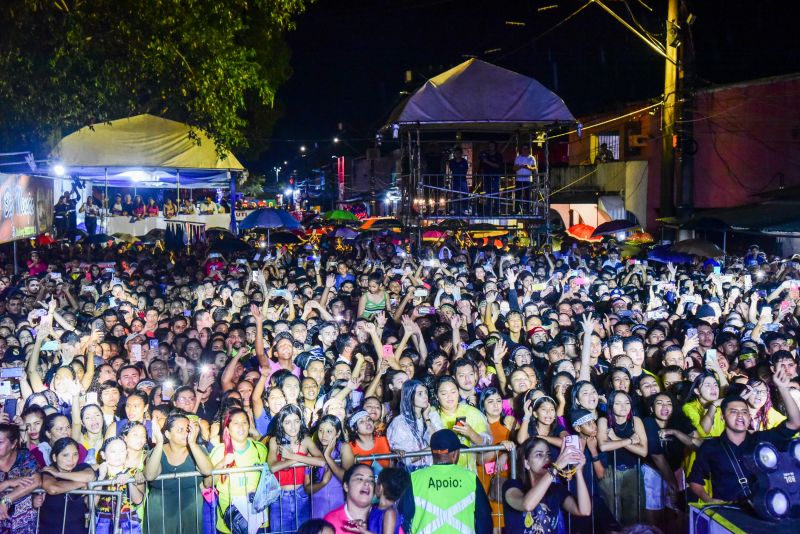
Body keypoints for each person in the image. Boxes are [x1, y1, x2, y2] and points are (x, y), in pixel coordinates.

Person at [688, 368, 800, 503]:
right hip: (728, 513)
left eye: (744, 412)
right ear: (723, 418)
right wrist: (707, 499)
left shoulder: (760, 440)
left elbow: (795, 423)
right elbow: (695, 480)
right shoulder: (711, 446)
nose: (740, 415)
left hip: (760, 512)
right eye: (734, 411)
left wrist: (783, 388)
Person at [398, 429, 492, 534]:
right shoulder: (470, 478)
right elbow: (484, 519)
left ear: (432, 453)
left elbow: (403, 517)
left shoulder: (415, 478)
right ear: (455, 454)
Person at [503, 437, 591, 534]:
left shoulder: (555, 489)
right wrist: (556, 467)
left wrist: (578, 470)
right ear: (526, 463)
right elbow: (527, 505)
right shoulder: (512, 485)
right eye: (539, 455)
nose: (546, 459)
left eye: (548, 454)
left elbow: (584, 511)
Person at [143, 413, 213, 533]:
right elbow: (150, 475)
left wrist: (192, 443)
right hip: (160, 511)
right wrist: (159, 443)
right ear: (167, 434)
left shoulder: (198, 450)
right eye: (180, 430)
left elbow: (207, 471)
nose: (185, 433)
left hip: (190, 510)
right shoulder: (158, 451)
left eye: (187, 430)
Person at [39, 437, 96, 534]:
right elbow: (53, 488)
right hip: (50, 530)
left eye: (75, 454)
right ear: (54, 457)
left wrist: (59, 474)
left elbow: (90, 476)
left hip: (78, 529)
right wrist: (81, 483)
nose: (71, 460)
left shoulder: (82, 467)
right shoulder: (48, 471)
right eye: (65, 455)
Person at [0, 424, 42, 534]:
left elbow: (36, 481)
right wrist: (6, 483)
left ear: (13, 444)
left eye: (0, 442)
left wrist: (6, 499)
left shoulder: (24, 456)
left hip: (23, 525)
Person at [513, 145, 536, 214]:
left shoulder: (531, 158)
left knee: (528, 196)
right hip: (519, 179)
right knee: (517, 195)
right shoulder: (518, 158)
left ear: (528, 150)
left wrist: (528, 167)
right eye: (523, 149)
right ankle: (517, 210)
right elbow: (514, 168)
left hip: (528, 180)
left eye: (526, 149)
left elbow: (534, 168)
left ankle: (528, 210)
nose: (525, 150)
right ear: (521, 149)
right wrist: (520, 166)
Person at [448, 147, 470, 215]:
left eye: (459, 153)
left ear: (461, 154)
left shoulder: (464, 161)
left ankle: (465, 209)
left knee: (464, 193)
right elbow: (451, 168)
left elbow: (465, 170)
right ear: (454, 154)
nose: (458, 154)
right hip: (455, 179)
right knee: (454, 194)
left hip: (462, 179)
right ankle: (455, 209)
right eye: (456, 153)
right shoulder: (451, 161)